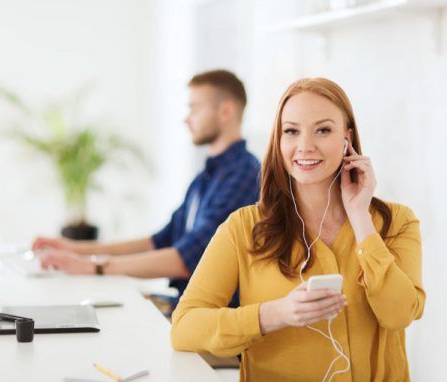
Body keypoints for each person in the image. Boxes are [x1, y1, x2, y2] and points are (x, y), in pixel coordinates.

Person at [170, 77, 425, 381]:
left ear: (347, 138)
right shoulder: (243, 228)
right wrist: (275, 314)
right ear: (278, 141)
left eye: (323, 130)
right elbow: (184, 327)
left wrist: (360, 217)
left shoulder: (397, 222)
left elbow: (399, 314)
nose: (305, 146)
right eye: (291, 131)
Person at [32, 70, 260, 305]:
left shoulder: (244, 175)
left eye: (195, 108)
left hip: (211, 317)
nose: (187, 118)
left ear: (226, 111)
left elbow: (185, 261)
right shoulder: (207, 176)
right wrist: (75, 249)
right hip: (187, 305)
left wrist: (91, 267)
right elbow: (158, 241)